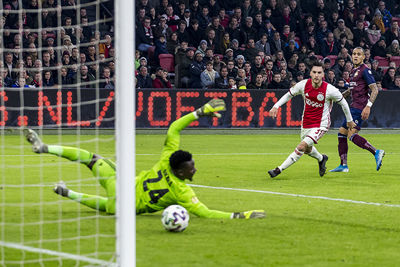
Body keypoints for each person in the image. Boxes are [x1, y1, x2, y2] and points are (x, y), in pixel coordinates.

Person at [25, 100, 265, 219]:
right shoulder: (181, 192)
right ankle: (67, 193)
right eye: (191, 168)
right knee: (106, 206)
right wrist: (240, 215)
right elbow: (205, 213)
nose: (195, 170)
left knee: (90, 159)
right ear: (181, 172)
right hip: (126, 210)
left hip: (119, 185)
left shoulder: (166, 159)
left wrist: (198, 112)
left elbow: (173, 128)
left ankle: (45, 148)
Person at [267, 60, 356, 178]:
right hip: (306, 123)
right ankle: (321, 158)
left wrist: (349, 120)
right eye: (314, 72)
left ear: (323, 75)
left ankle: (278, 169)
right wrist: (276, 106)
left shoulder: (329, 89)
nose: (317, 75)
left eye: (319, 72)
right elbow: (289, 94)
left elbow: (343, 103)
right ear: (310, 73)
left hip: (321, 124)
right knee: (308, 149)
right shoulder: (303, 85)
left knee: (301, 146)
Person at [330, 47, 385, 172]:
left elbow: (375, 89)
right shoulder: (354, 71)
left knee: (351, 134)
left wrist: (368, 106)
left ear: (363, 57)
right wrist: (338, 97)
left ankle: (376, 152)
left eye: (358, 54)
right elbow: (351, 90)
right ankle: (343, 165)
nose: (355, 56)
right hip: (352, 107)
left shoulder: (365, 70)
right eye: (354, 53)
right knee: (341, 133)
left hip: (360, 108)